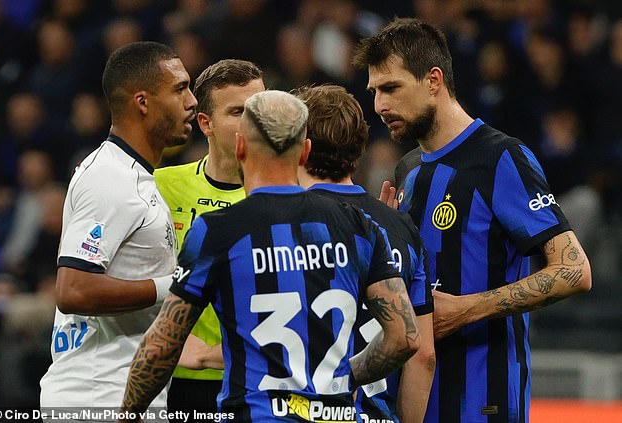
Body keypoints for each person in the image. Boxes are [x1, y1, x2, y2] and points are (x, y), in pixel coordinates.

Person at [120, 90, 420, 422]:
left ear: (240, 147)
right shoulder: (358, 226)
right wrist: (346, 375)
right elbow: (404, 338)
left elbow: (161, 348)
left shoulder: (218, 231)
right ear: (305, 151)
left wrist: (126, 415)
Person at [353, 18, 592, 423]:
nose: (379, 106)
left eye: (391, 88)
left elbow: (575, 270)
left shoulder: (501, 159)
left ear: (433, 80)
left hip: (485, 401)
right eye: (374, 92)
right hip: (417, 402)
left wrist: (466, 309)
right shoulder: (408, 171)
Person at [39, 41, 197, 410]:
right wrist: (173, 286)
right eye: (179, 89)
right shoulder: (109, 177)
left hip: (123, 394)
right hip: (97, 394)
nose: (192, 102)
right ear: (143, 102)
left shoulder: (135, 177)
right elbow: (73, 290)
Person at [294, 84, 435, 423]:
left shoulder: (286, 223)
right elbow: (423, 354)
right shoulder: (402, 228)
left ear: (299, 146)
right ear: (360, 147)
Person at [154, 59, 265, 417]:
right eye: (237, 112)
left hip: (255, 381)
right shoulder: (161, 187)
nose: (253, 122)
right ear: (206, 123)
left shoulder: (287, 197)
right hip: (175, 377)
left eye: (259, 109)